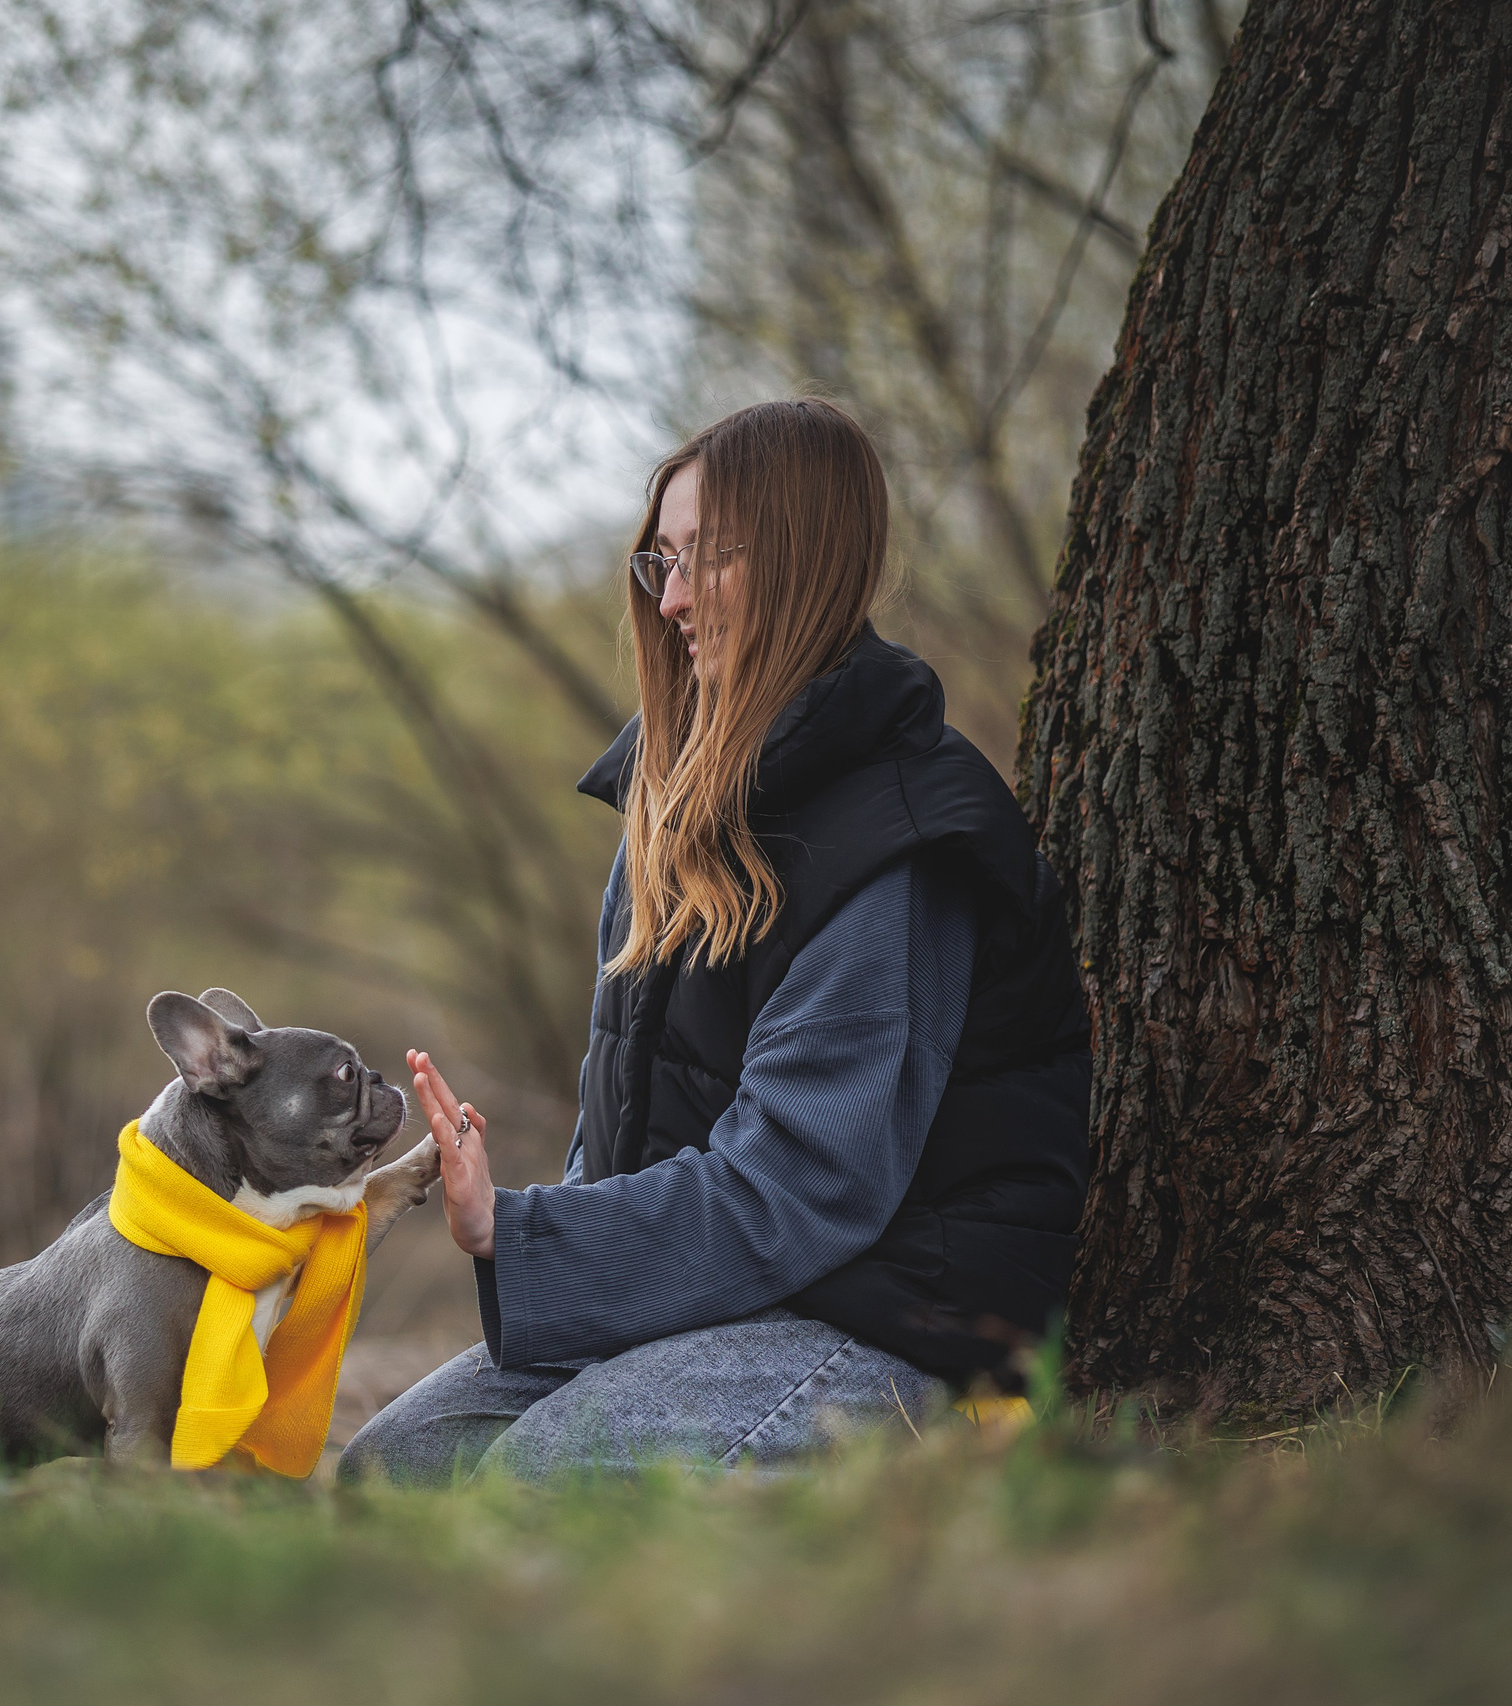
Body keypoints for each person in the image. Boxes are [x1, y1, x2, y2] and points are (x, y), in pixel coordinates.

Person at [338, 398, 1092, 1485]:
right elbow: (625, 1124)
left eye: (711, 558)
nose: (675, 596)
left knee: (532, 1488)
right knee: (390, 1472)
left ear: (804, 563)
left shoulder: (904, 835)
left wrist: (520, 1229)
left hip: (892, 1315)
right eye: (661, 561)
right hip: (721, 1290)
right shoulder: (667, 795)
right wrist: (557, 1232)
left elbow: (799, 1188)